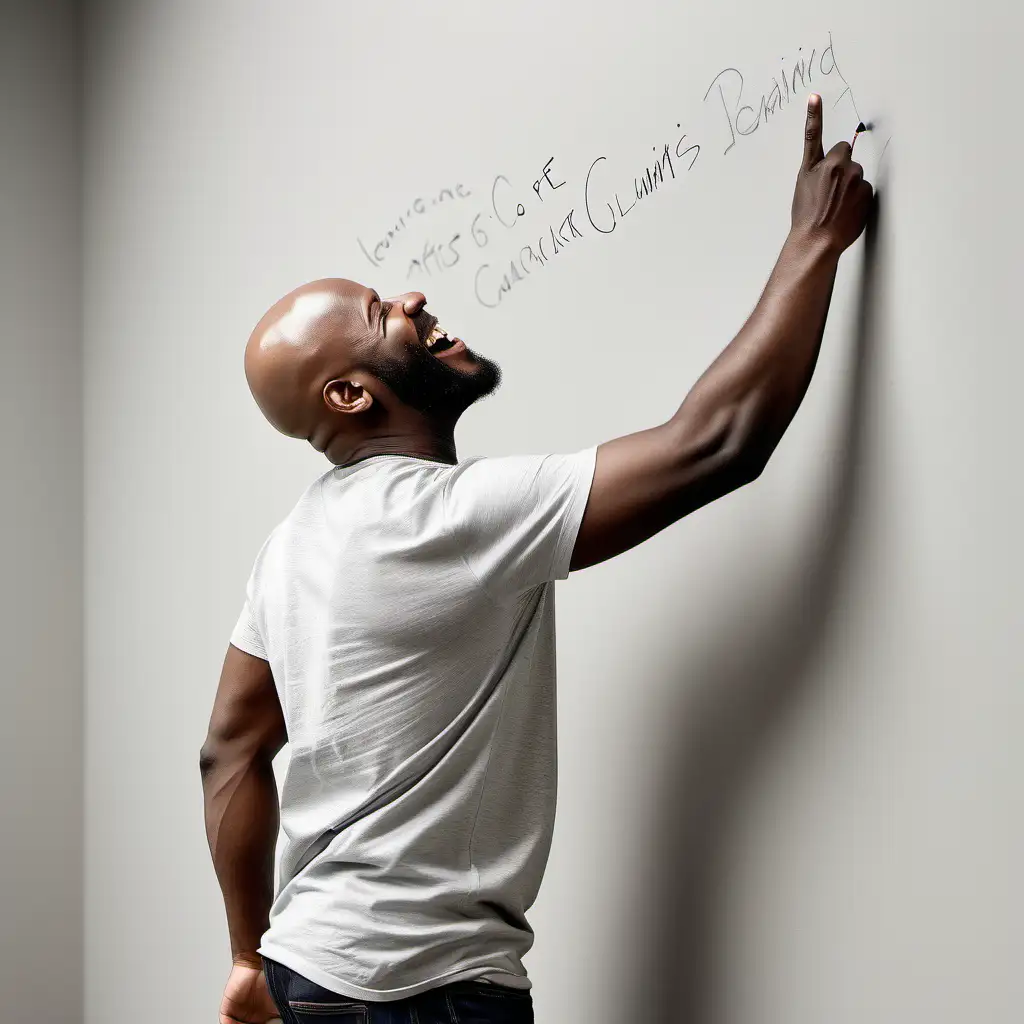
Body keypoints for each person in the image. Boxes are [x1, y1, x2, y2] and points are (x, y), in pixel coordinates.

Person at [200, 94, 872, 1024]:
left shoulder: (290, 549)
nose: (411, 299)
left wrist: (246, 956)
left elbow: (228, 751)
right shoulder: (452, 519)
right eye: (377, 309)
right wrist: (813, 242)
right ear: (351, 393)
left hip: (307, 972)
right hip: (429, 995)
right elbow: (718, 442)